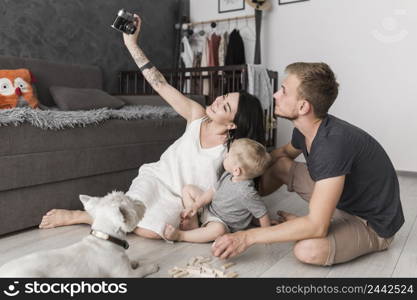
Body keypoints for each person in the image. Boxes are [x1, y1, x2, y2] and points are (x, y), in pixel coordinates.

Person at [39, 14, 266, 240]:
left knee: (150, 231)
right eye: (224, 95)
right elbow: (160, 85)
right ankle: (81, 216)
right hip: (156, 179)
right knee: (131, 214)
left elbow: (242, 184)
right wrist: (131, 44)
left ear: (233, 124)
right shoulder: (197, 114)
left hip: (185, 199)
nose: (217, 100)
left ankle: (97, 214)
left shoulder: (235, 150)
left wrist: (257, 218)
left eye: (225, 106)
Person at [212, 62, 404, 266]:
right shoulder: (306, 129)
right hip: (342, 200)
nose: (276, 95)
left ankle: (322, 225)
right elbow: (283, 153)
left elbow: (317, 227)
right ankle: (237, 208)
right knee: (280, 166)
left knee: (307, 250)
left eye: (284, 91)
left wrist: (248, 237)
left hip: (370, 223)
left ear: (303, 107)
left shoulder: (332, 145)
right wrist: (247, 165)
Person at [164, 138, 273, 243]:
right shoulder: (227, 175)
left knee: (218, 231)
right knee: (188, 189)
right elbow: (212, 191)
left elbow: (262, 213)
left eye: (228, 156)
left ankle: (181, 235)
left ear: (236, 170)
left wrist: (266, 234)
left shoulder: (247, 192)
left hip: (222, 222)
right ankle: (194, 223)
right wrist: (195, 206)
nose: (225, 155)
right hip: (211, 207)